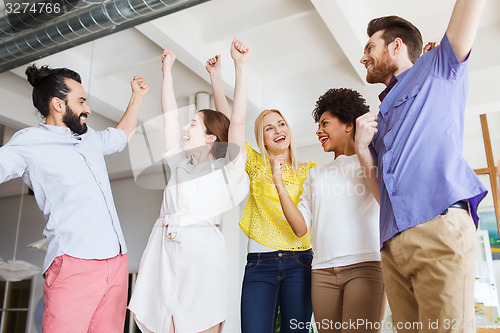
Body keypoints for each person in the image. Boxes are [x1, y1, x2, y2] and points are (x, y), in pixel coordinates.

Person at [355, 1, 488, 332]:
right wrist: (361, 149)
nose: (363, 57)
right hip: (393, 245)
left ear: (396, 45)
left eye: (370, 46)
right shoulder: (378, 118)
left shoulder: (438, 66)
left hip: (438, 228)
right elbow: (382, 196)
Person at [0, 65, 149, 332]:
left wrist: (137, 97)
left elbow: (121, 137)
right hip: (74, 261)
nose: (88, 109)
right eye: (81, 101)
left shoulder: (89, 138)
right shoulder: (30, 142)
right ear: (58, 104)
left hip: (116, 260)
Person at [128, 38, 251, 333]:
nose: (185, 127)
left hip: (201, 251)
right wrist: (167, 70)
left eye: (193, 124)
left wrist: (240, 66)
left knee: (200, 319)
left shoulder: (228, 168)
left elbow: (238, 120)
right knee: (160, 320)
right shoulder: (180, 164)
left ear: (210, 138)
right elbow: (170, 115)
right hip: (162, 246)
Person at [207, 58, 316, 333]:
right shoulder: (255, 165)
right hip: (259, 265)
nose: (278, 130)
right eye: (269, 128)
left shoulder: (309, 172)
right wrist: (216, 78)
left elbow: (304, 225)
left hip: (300, 264)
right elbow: (230, 127)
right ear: (262, 139)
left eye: (281, 124)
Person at [270, 88, 385, 333]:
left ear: (347, 124)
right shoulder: (316, 174)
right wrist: (278, 183)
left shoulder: (370, 160)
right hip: (321, 272)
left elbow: (385, 200)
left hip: (364, 266)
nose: (318, 131)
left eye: (325, 123)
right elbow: (300, 228)